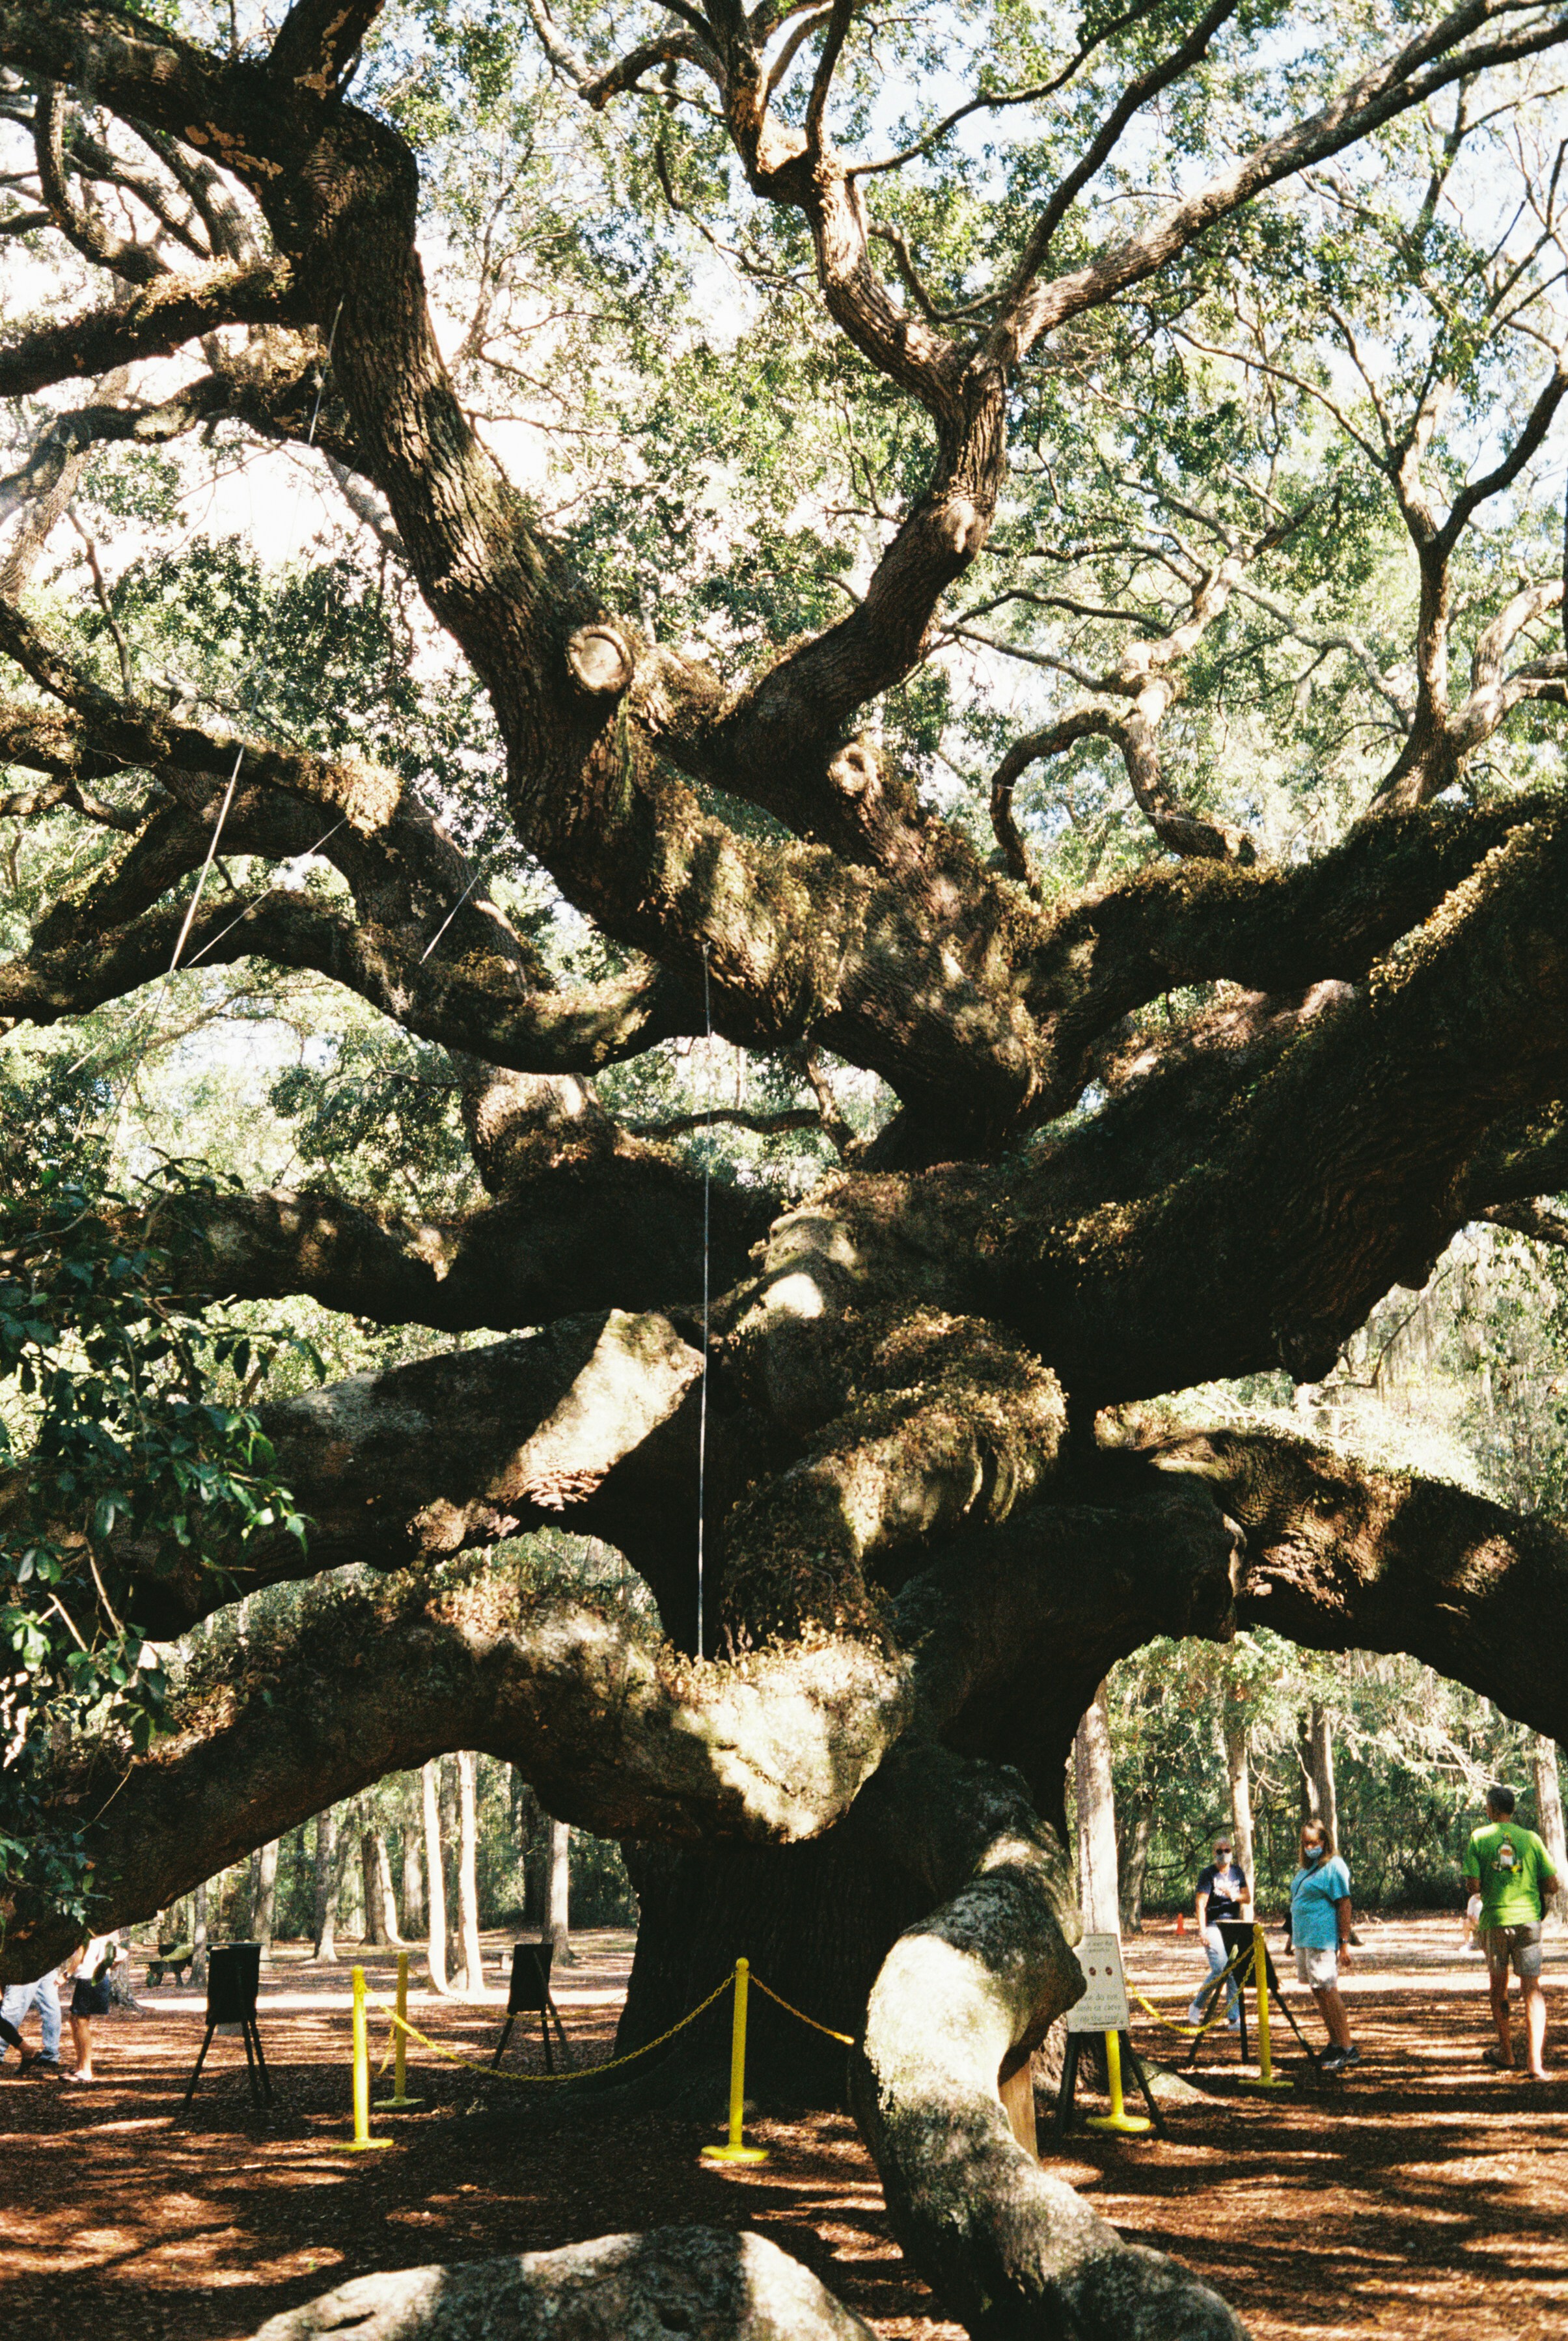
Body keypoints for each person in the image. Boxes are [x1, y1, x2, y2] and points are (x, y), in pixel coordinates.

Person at [1463, 1782, 1559, 2081]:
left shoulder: (1479, 1837)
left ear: (1491, 1809)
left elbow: (1474, 1886)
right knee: (1532, 1988)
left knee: (1499, 1987)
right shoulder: (1530, 1839)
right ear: (1513, 1809)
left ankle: (1506, 2052)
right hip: (1529, 1921)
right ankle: (1535, 2063)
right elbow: (1552, 1884)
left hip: (1495, 1921)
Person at [1287, 1818, 1358, 2072]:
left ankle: (1347, 2047)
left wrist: (1344, 1943)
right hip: (1305, 1939)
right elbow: (1299, 1902)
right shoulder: (1307, 1869)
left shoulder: (1334, 1867)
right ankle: (1334, 2042)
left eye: (1315, 1842)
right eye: (1306, 1843)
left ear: (1325, 1842)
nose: (1310, 1847)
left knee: (1328, 1989)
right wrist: (1291, 1939)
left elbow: (1344, 1904)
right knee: (1318, 1991)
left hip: (1322, 1938)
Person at [1187, 1833, 1250, 2029]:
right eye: (1219, 1851)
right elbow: (1200, 1904)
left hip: (1233, 1926)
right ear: (1214, 1853)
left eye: (1227, 1851)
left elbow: (1247, 1898)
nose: (1224, 1854)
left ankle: (1234, 2019)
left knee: (1235, 1970)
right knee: (1221, 1968)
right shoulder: (1208, 1874)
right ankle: (1197, 2005)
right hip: (1214, 1925)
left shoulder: (1237, 1872)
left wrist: (1234, 1896)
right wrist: (1202, 1931)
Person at [66, 1932, 122, 2083]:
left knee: (81, 2021)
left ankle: (86, 2070)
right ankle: (79, 2066)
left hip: (90, 1977)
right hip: (90, 1977)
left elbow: (81, 1952)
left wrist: (66, 1974)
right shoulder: (104, 1930)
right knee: (74, 2019)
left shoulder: (93, 1931)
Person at [0, 1961, 63, 2077]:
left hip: (27, 1964)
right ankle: (50, 2054)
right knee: (51, 2009)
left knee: (12, 2011)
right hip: (47, 1963)